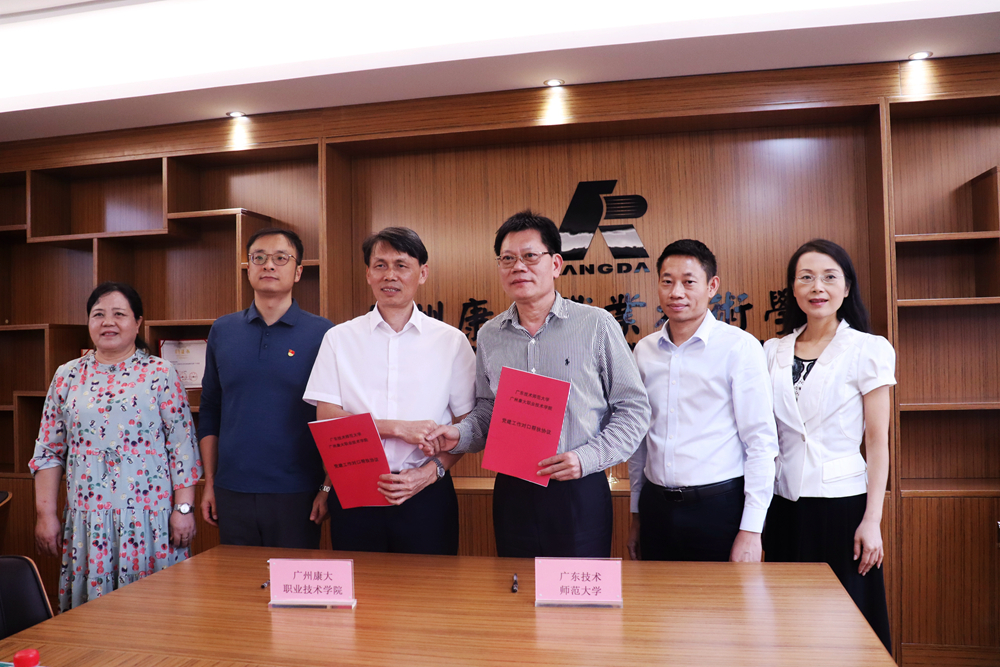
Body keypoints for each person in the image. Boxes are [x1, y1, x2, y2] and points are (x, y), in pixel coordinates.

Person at [424, 210, 650, 558]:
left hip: (579, 485)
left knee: (577, 588)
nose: (518, 267)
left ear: (556, 264)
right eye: (507, 259)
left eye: (530, 256)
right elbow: (488, 409)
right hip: (512, 489)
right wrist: (460, 434)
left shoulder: (596, 325)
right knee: (516, 585)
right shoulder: (490, 335)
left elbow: (633, 410)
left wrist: (585, 458)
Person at [30, 282, 202, 611]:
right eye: (98, 314)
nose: (108, 322)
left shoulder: (160, 373)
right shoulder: (67, 376)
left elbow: (182, 448)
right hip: (88, 524)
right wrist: (45, 515)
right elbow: (49, 452)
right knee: (91, 618)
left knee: (155, 614)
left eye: (119, 314)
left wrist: (183, 510)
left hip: (150, 523)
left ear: (138, 323)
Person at [303, 227, 475, 554]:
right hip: (355, 488)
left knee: (430, 583)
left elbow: (467, 425)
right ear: (368, 274)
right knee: (361, 583)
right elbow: (326, 417)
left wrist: (431, 472)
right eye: (380, 265)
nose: (390, 275)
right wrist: (397, 428)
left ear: (422, 273)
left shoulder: (451, 341)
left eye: (401, 265)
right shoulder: (339, 339)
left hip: (426, 491)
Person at [762, 239, 893, 652]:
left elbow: (877, 442)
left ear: (847, 287)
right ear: (793, 288)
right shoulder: (771, 350)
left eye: (829, 277)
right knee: (786, 621)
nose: (817, 287)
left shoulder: (869, 349)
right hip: (783, 504)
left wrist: (872, 520)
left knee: (843, 625)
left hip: (843, 506)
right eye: (806, 277)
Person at [627, 240, 778, 563]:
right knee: (656, 596)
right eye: (667, 281)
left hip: (719, 509)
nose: (676, 292)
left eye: (688, 282)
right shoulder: (644, 351)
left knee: (723, 598)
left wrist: (752, 530)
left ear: (712, 286)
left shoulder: (739, 347)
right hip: (656, 508)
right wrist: (637, 513)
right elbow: (640, 441)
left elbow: (760, 442)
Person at [199, 227, 333, 548]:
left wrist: (327, 487)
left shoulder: (324, 334)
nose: (269, 265)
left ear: (298, 271)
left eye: (280, 258)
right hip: (232, 490)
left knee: (293, 580)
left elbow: (336, 416)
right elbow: (211, 408)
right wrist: (210, 483)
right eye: (259, 258)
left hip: (298, 492)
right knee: (238, 578)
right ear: (248, 268)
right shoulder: (222, 330)